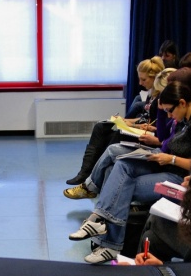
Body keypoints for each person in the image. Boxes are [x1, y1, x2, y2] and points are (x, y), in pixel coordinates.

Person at [69, 81, 191, 263]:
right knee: (121, 164)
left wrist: (171, 159)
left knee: (120, 187)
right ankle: (99, 222)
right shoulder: (185, 119)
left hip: (177, 177)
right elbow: (168, 142)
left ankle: (108, 241)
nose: (169, 115)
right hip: (164, 163)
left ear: (183, 103)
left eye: (170, 110)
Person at [65, 57, 165, 185]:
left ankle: (95, 177)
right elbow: (144, 118)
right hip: (140, 128)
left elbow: (154, 127)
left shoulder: (161, 100)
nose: (140, 83)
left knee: (116, 135)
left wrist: (133, 125)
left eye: (144, 79)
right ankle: (85, 172)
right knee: (101, 127)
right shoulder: (152, 94)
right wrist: (126, 120)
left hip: (146, 137)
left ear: (155, 78)